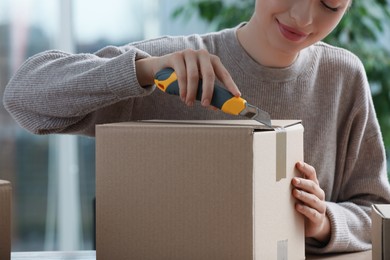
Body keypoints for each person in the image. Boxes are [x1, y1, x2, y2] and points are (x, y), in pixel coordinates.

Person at [3, 0, 390, 254]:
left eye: (330, 4)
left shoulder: (343, 77)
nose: (305, 17)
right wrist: (141, 71)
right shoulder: (168, 67)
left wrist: (324, 223)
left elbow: (377, 212)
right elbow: (23, 97)